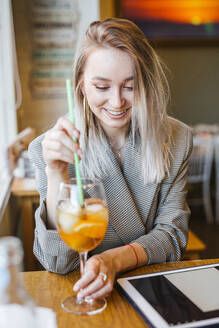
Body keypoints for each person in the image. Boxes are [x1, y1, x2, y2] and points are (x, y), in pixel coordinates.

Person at [29, 18, 192, 301]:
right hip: (85, 291)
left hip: (152, 286)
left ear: (147, 84)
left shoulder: (177, 139)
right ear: (81, 85)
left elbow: (173, 236)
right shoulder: (48, 148)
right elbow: (57, 262)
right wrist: (56, 175)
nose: (117, 103)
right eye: (102, 87)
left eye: (130, 86)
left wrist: (114, 261)